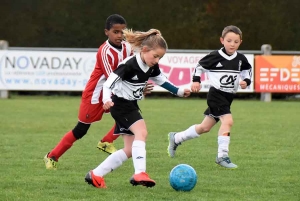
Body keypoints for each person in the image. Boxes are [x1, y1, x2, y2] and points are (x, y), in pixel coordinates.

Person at [43, 14, 153, 170]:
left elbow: (132, 68)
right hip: (96, 94)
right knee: (81, 130)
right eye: (115, 32)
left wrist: (140, 84)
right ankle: (52, 156)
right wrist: (137, 87)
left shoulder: (127, 47)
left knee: (128, 115)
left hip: (116, 90)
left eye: (122, 32)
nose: (119, 35)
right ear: (106, 32)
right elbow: (111, 79)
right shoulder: (104, 51)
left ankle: (106, 142)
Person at [84, 28, 191, 188]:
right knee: (142, 132)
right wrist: (106, 99)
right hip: (120, 105)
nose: (157, 60)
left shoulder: (152, 66)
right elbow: (108, 84)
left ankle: (96, 175)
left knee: (129, 150)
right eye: (155, 56)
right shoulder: (128, 65)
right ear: (145, 50)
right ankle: (140, 173)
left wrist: (180, 91)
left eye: (160, 58)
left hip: (130, 105)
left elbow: (162, 80)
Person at [167, 25, 252, 169]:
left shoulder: (240, 59)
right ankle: (222, 156)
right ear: (222, 40)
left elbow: (247, 70)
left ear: (240, 42)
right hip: (216, 95)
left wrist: (246, 81)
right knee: (228, 120)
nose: (232, 44)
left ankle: (176, 138)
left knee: (204, 128)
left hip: (228, 98)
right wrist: (196, 81)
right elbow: (199, 67)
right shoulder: (215, 56)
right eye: (229, 40)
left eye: (236, 42)